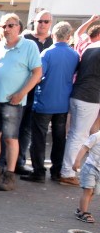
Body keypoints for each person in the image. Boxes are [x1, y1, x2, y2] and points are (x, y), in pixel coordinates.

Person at [0, 13, 42, 192]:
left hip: (13, 100)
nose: (7, 29)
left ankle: (9, 176)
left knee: (11, 139)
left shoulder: (29, 46)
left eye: (11, 25)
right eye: (3, 26)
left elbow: (37, 73)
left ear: (19, 27)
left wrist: (22, 93)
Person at [26, 22, 78, 183]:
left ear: (53, 35)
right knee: (59, 138)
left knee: (39, 138)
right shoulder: (74, 55)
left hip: (44, 101)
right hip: (63, 102)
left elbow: (39, 76)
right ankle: (56, 171)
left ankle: (39, 171)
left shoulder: (47, 53)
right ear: (69, 37)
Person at [57, 23, 100, 186]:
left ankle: (67, 170)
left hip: (79, 94)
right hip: (88, 97)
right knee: (78, 135)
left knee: (75, 134)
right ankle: (67, 172)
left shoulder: (91, 47)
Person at [16, 9, 54, 174]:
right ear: (34, 22)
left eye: (46, 22)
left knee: (27, 130)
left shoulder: (52, 41)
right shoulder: (25, 39)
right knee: (14, 127)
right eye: (40, 21)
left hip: (40, 94)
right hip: (23, 90)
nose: (43, 24)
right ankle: (7, 162)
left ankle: (20, 161)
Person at [72, 130, 100, 223]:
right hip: (90, 167)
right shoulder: (96, 136)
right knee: (88, 190)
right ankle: (84, 213)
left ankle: (80, 209)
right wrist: (77, 161)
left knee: (92, 192)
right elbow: (84, 147)